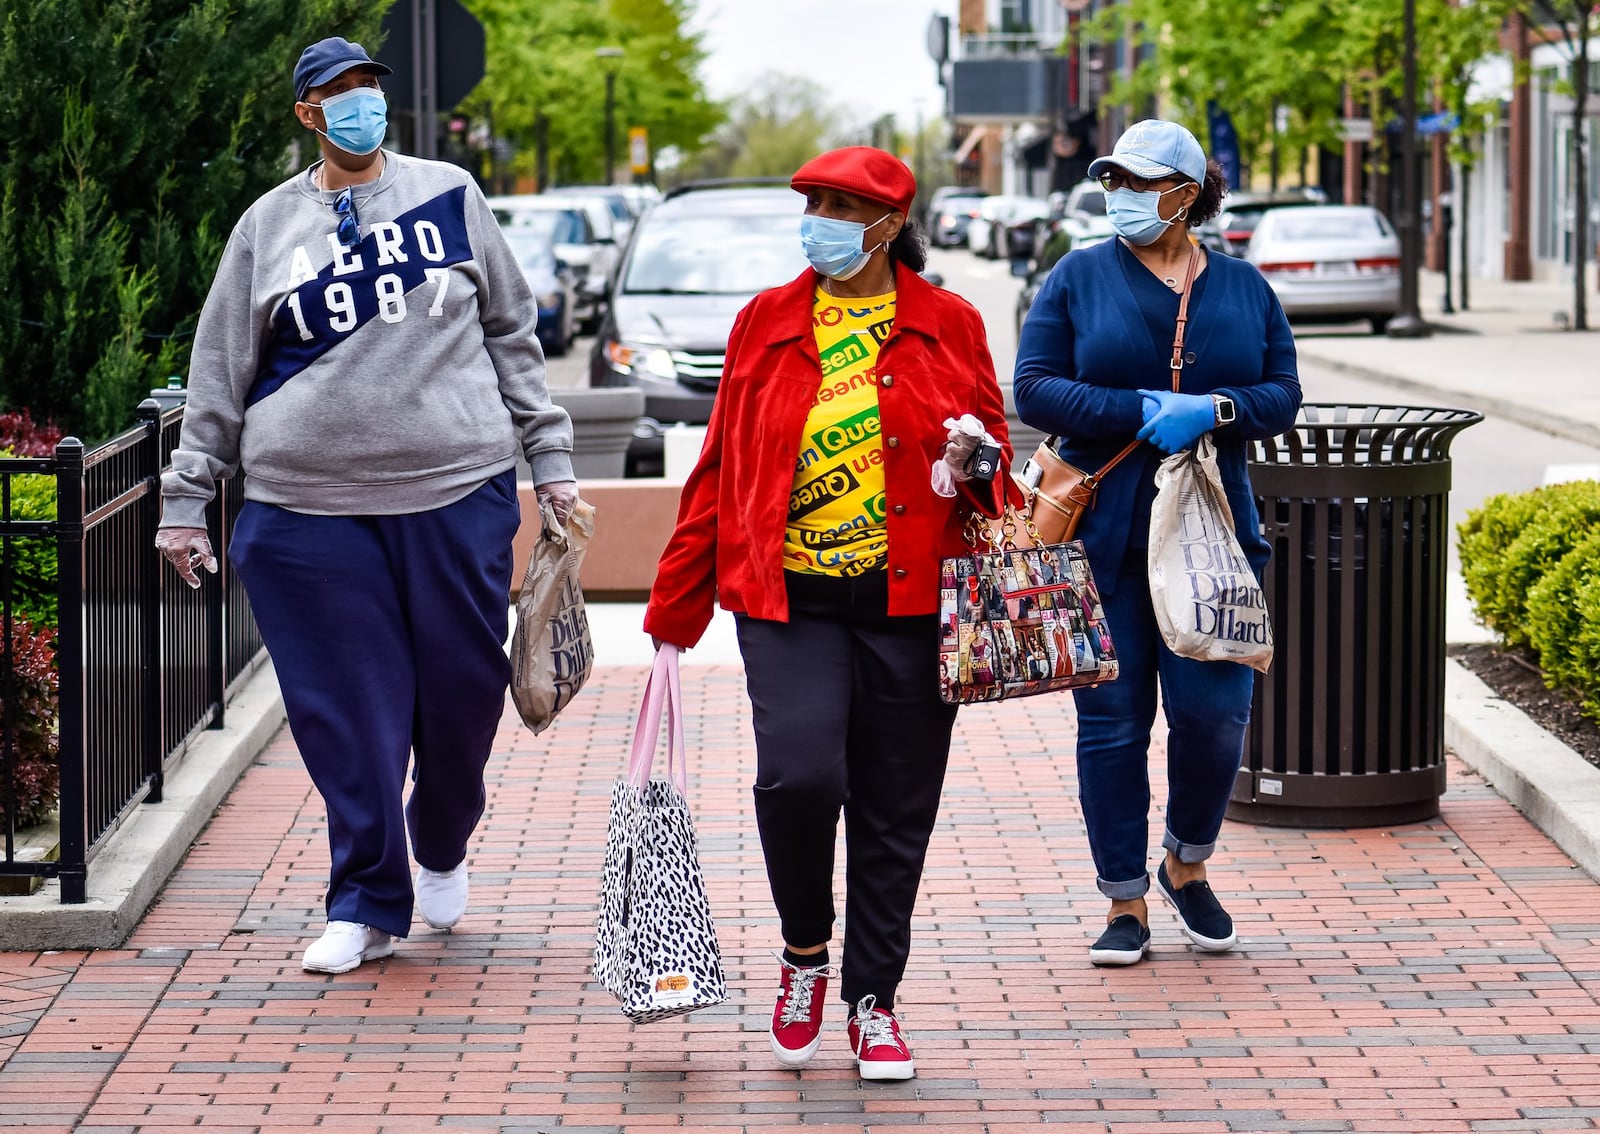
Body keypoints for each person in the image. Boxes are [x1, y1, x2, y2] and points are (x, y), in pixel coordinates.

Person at [154, 37, 577, 975]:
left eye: (367, 91)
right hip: (303, 513)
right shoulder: (266, 227)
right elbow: (218, 369)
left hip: (454, 495)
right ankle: (365, 900)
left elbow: (512, 331)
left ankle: (442, 836)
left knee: (464, 700)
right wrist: (186, 500)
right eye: (336, 95)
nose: (358, 107)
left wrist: (550, 460)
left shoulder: (450, 194)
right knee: (349, 716)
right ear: (307, 113)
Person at [644, 147, 1010, 1081]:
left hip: (913, 601)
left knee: (897, 809)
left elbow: (995, 465)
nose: (822, 221)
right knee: (799, 778)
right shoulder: (765, 321)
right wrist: (675, 604)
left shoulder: (950, 322)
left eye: (844, 207)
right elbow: (721, 465)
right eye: (813, 204)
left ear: (891, 224)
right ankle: (805, 953)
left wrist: (976, 465)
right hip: (788, 599)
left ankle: (873, 1002)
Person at [1013, 119, 1302, 966]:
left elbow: (1282, 392)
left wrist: (1213, 410)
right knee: (1111, 725)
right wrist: (1139, 409)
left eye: (1142, 183)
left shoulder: (1245, 289)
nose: (1124, 199)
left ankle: (1186, 862)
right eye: (1115, 182)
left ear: (1187, 193)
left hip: (1211, 537)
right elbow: (1034, 389)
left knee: (1214, 719)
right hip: (1100, 538)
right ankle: (1124, 900)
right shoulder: (1075, 277)